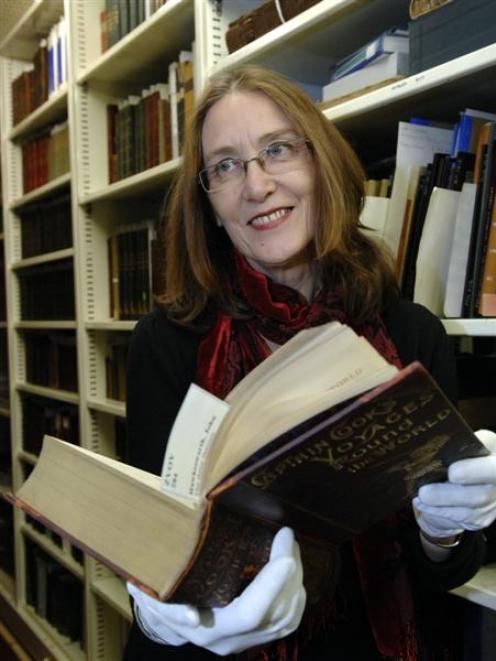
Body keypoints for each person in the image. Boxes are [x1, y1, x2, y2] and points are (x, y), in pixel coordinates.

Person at [123, 65, 496, 660]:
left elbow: (444, 577)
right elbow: (148, 546)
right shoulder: (167, 345)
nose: (257, 184)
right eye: (224, 166)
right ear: (209, 205)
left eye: (277, 150)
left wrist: (445, 530)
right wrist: (166, 611)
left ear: (322, 163)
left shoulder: (411, 333)